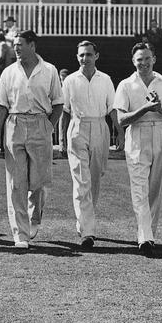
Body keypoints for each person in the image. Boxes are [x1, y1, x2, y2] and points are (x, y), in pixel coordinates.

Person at [0, 30, 63, 249]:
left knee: (38, 182)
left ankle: (34, 218)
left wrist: (48, 126)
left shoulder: (49, 70)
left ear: (32, 45)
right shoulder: (8, 72)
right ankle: (20, 234)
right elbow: (1, 105)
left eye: (20, 44)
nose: (16, 48)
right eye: (15, 44)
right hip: (14, 124)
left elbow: (58, 103)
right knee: (16, 183)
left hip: (41, 123)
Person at [114, 43, 162, 257]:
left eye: (147, 58)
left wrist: (159, 108)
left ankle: (149, 233)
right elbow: (121, 119)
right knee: (139, 188)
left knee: (156, 188)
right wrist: (145, 108)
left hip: (161, 134)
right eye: (139, 60)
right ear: (133, 62)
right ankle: (145, 237)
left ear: (154, 59)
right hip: (137, 135)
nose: (143, 63)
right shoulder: (126, 84)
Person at [59, 41, 125, 248]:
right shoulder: (69, 80)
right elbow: (65, 112)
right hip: (77, 128)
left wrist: (120, 133)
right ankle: (88, 231)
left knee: (95, 178)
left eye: (88, 54)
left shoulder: (105, 79)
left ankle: (84, 220)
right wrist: (61, 140)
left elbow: (113, 109)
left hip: (99, 127)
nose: (84, 58)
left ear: (96, 56)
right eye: (81, 55)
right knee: (81, 180)